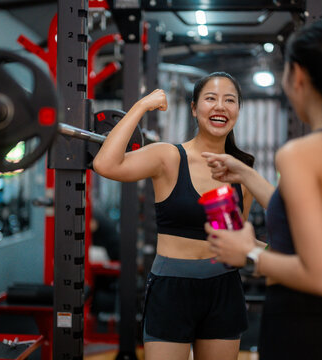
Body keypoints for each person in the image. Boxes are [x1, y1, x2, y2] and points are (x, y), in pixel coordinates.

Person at [203, 20, 322, 360]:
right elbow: (310, 217)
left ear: (297, 76)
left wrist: (250, 254)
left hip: (303, 327)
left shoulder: (299, 154)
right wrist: (246, 174)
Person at [93, 72, 259, 360]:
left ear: (237, 111)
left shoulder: (241, 173)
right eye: (210, 98)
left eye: (229, 100)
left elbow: (234, 242)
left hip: (223, 289)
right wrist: (142, 106)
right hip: (171, 289)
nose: (220, 106)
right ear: (194, 109)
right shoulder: (169, 157)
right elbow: (106, 164)